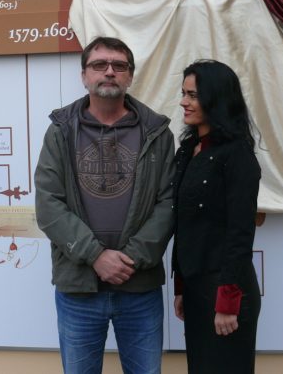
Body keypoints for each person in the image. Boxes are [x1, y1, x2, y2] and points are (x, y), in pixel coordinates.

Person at [34, 36, 175, 374]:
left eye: (119, 66)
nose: (109, 72)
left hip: (138, 285)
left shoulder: (157, 132)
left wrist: (131, 259)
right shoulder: (60, 131)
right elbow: (48, 203)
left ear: (130, 76)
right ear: (84, 75)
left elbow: (169, 202)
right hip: (79, 287)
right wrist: (95, 256)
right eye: (99, 65)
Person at [172, 60, 261, 373]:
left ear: (217, 99)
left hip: (226, 292)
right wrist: (181, 287)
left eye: (193, 95)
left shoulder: (237, 155)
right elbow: (185, 225)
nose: (183, 102)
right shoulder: (188, 149)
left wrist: (227, 303)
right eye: (183, 93)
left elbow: (240, 233)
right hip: (196, 289)